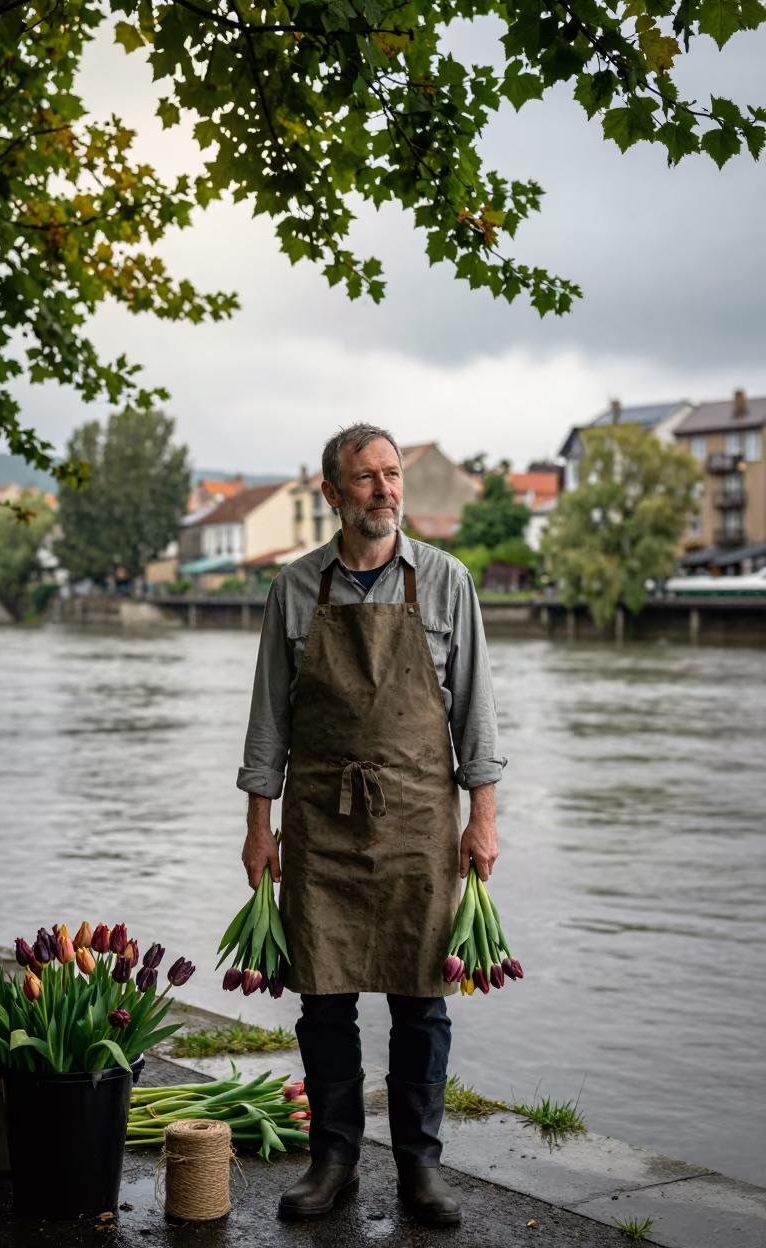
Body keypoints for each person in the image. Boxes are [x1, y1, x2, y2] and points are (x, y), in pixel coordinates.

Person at [238, 423, 506, 1226]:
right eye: (366, 478)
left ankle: (422, 1168)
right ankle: (335, 1163)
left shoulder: (448, 581)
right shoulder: (293, 589)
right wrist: (260, 827)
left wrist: (482, 819)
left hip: (422, 819)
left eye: (393, 476)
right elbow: (267, 726)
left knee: (421, 1000)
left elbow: (479, 717)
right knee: (324, 1000)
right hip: (320, 820)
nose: (386, 490)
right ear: (332, 492)